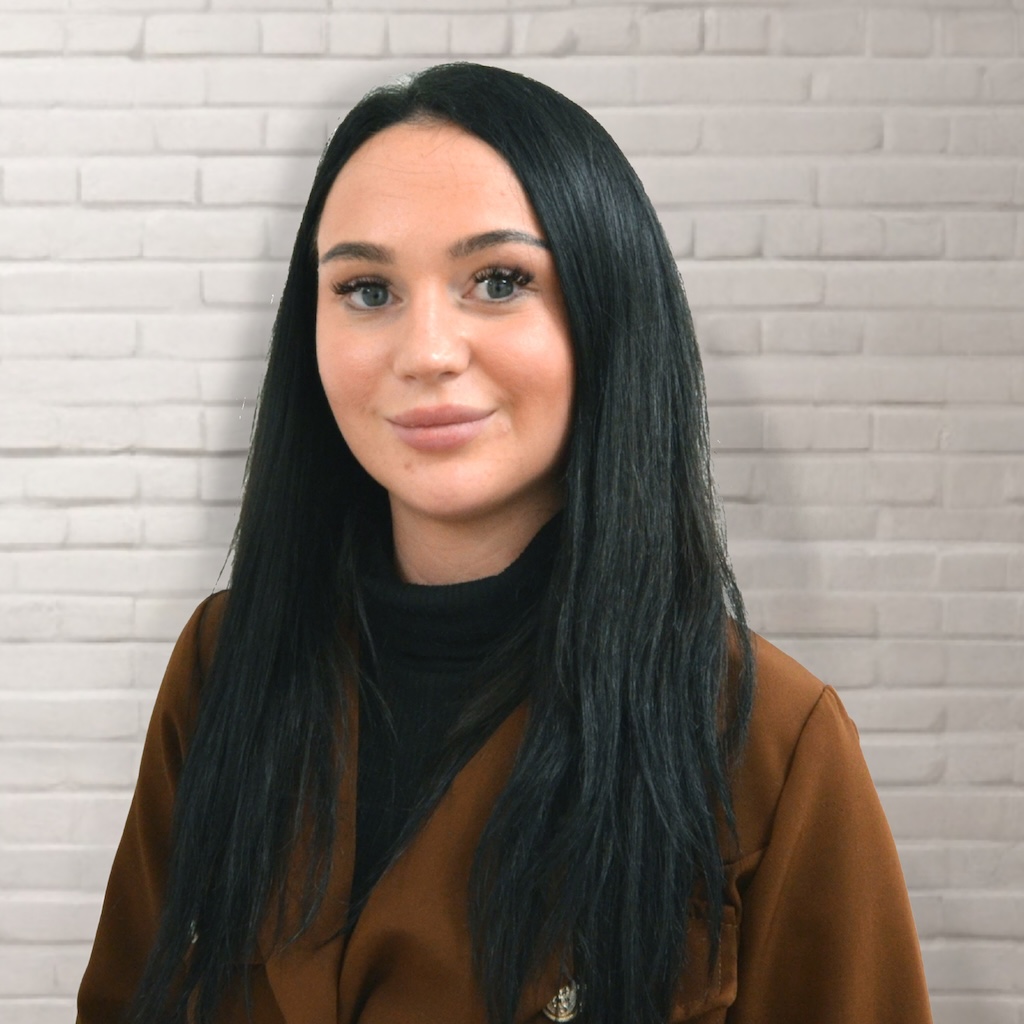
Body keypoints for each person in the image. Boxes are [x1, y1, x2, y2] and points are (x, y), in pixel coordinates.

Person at [77, 63, 933, 1024]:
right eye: (367, 289)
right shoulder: (224, 664)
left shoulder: (768, 739)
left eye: (498, 282)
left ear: (608, 313)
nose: (427, 352)